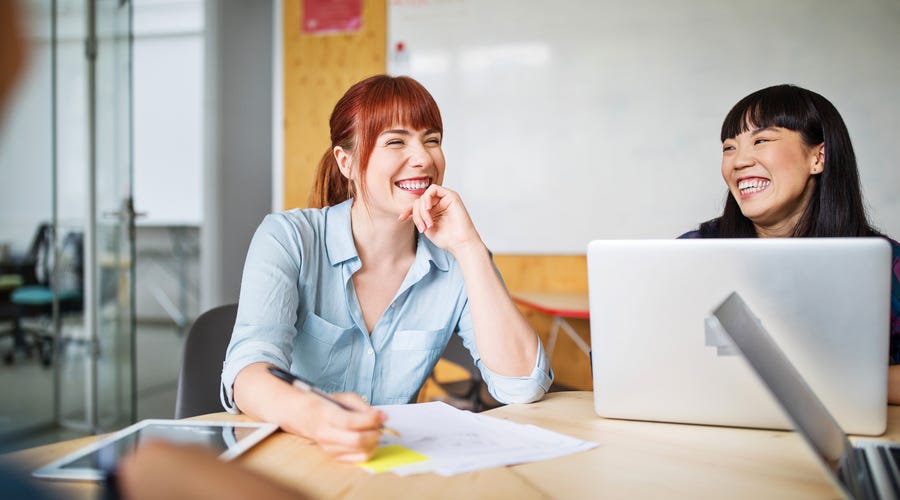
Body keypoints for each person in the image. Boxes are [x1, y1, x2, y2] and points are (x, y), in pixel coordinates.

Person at [220, 74, 553, 462]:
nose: (424, 158)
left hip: (390, 467)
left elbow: (521, 386)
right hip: (297, 459)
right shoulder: (288, 239)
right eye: (396, 141)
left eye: (432, 140)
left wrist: (469, 246)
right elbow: (248, 373)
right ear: (346, 162)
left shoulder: (456, 256)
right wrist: (317, 418)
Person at [680, 84, 900, 403]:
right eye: (729, 148)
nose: (738, 161)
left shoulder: (887, 264)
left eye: (761, 140)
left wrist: (809, 382)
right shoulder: (694, 251)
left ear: (817, 157)